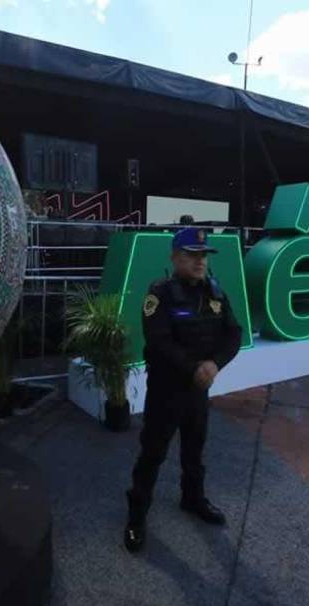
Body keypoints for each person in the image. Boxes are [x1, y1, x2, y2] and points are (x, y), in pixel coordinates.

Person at [124, 227, 242, 553]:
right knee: (153, 453)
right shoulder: (160, 293)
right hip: (166, 390)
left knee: (195, 448)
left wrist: (215, 364)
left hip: (198, 390)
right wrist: (195, 368)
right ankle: (137, 515)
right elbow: (158, 342)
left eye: (204, 255)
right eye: (192, 254)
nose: (200, 261)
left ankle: (193, 499)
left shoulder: (215, 293)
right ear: (175, 257)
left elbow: (234, 333)